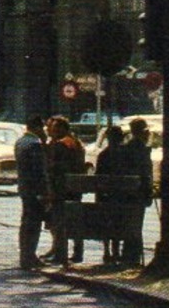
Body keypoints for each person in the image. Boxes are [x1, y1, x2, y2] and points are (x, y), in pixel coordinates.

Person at [44, 116, 87, 264]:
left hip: (61, 188)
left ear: (63, 129)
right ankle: (77, 252)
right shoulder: (76, 142)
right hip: (75, 187)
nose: (52, 132)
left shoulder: (61, 145)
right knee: (75, 220)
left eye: (55, 129)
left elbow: (54, 168)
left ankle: (60, 254)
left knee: (60, 221)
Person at [93, 124, 136, 264]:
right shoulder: (126, 153)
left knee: (106, 224)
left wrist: (99, 193)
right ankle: (116, 251)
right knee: (119, 223)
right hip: (121, 194)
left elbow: (98, 176)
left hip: (106, 194)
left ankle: (107, 252)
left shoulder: (104, 154)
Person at [15, 114, 50, 270]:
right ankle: (30, 256)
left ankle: (25, 255)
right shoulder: (35, 144)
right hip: (35, 190)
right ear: (38, 127)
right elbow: (39, 172)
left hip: (24, 188)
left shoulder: (20, 142)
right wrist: (44, 192)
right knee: (34, 225)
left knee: (26, 223)